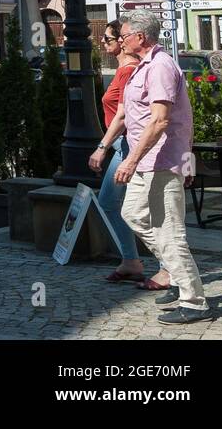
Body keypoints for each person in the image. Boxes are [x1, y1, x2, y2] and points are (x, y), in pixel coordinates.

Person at [115, 10, 209, 324]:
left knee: (169, 233)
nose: (121, 40)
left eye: (124, 35)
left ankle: (194, 301)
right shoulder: (143, 66)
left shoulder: (159, 66)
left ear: (140, 37)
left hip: (162, 161)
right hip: (149, 161)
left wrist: (130, 159)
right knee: (132, 214)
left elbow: (160, 120)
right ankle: (176, 273)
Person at [89, 20, 145, 283]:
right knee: (120, 203)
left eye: (109, 39)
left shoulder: (128, 72)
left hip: (127, 145)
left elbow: (123, 116)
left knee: (110, 202)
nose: (104, 42)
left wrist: (101, 147)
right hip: (122, 145)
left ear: (122, 43)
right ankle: (131, 260)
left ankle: (135, 260)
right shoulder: (124, 70)